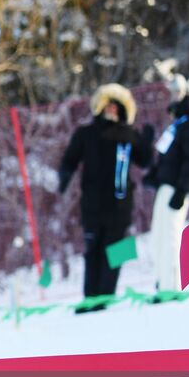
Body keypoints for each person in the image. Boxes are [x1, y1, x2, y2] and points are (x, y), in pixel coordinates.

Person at [57, 83, 154, 312]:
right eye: (108, 105)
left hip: (120, 207)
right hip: (92, 205)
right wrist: (63, 179)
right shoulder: (86, 133)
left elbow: (145, 161)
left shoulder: (128, 135)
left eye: (115, 106)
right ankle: (90, 298)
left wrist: (147, 140)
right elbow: (69, 159)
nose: (111, 110)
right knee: (93, 252)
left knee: (116, 252)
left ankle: (106, 297)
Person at [145, 74, 189, 299]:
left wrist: (183, 190)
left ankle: (171, 286)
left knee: (171, 238)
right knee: (158, 237)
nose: (172, 97)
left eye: (176, 92)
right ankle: (163, 281)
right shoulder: (181, 122)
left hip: (177, 188)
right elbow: (169, 155)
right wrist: (156, 175)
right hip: (167, 185)